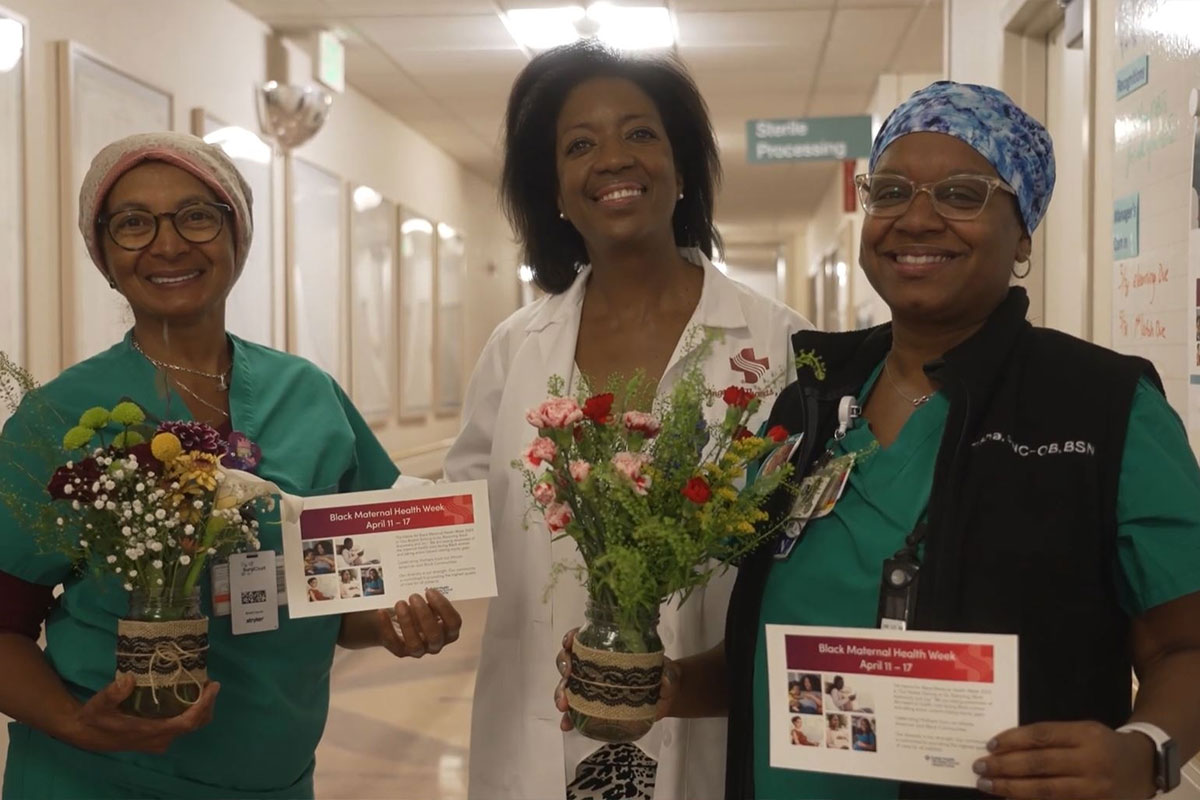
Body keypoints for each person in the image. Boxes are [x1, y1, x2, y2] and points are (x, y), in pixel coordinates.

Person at [558, 82, 1200, 800]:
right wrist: (670, 684)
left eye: (961, 195)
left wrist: (1148, 750)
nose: (916, 219)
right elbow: (784, 659)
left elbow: (1185, 643)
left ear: (1022, 231)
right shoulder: (809, 400)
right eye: (891, 191)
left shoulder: (1102, 408)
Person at [0, 132, 463, 799]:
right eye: (133, 223)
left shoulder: (308, 397)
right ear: (103, 254)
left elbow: (347, 597)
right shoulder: (60, 418)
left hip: (271, 777)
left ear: (237, 238)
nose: (167, 244)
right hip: (95, 777)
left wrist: (397, 622)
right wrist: (78, 723)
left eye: (195, 216)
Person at [445, 39, 809, 800]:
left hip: (712, 727)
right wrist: (391, 585)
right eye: (581, 145)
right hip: (536, 729)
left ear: (681, 170)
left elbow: (803, 543)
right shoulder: (517, 350)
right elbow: (463, 514)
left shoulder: (777, 342)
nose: (614, 158)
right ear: (555, 189)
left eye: (640, 133)